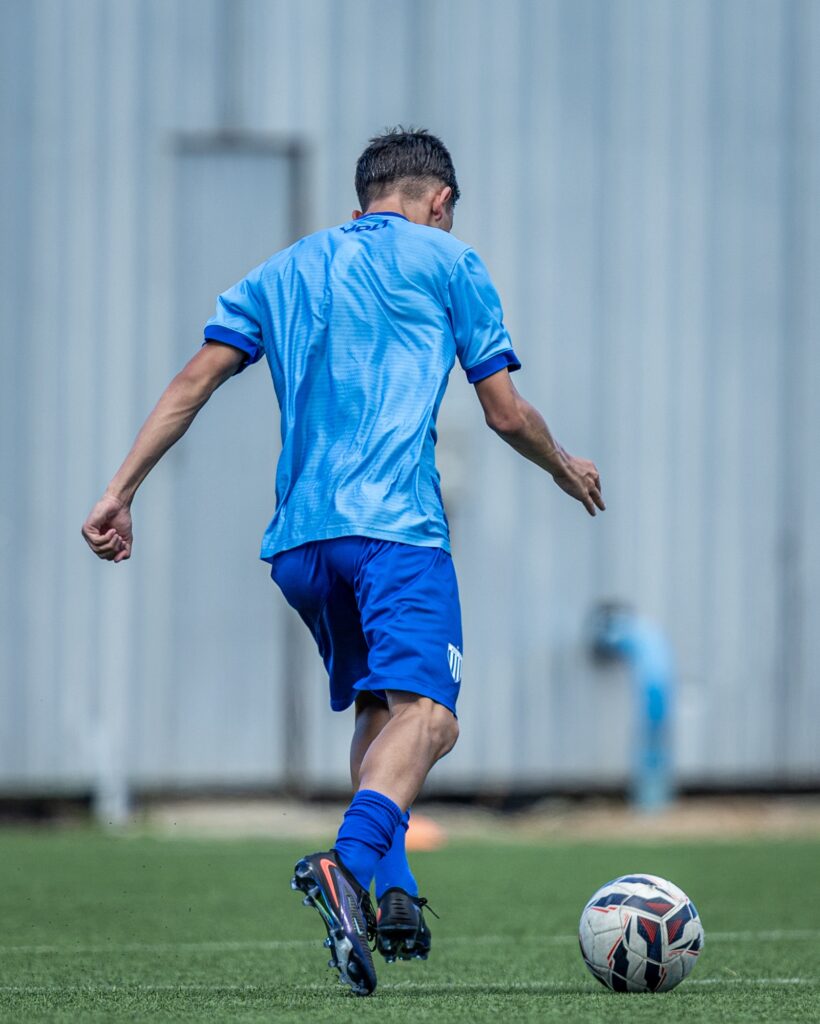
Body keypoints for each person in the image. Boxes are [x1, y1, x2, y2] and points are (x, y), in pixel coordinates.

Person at [82, 127, 604, 996]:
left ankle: (392, 893)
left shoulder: (284, 269)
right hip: (395, 532)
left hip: (302, 545)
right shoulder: (449, 260)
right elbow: (506, 413)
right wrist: (565, 466)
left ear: (365, 197)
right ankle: (350, 866)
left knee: (378, 707)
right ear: (440, 201)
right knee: (431, 717)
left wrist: (119, 491)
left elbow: (192, 382)